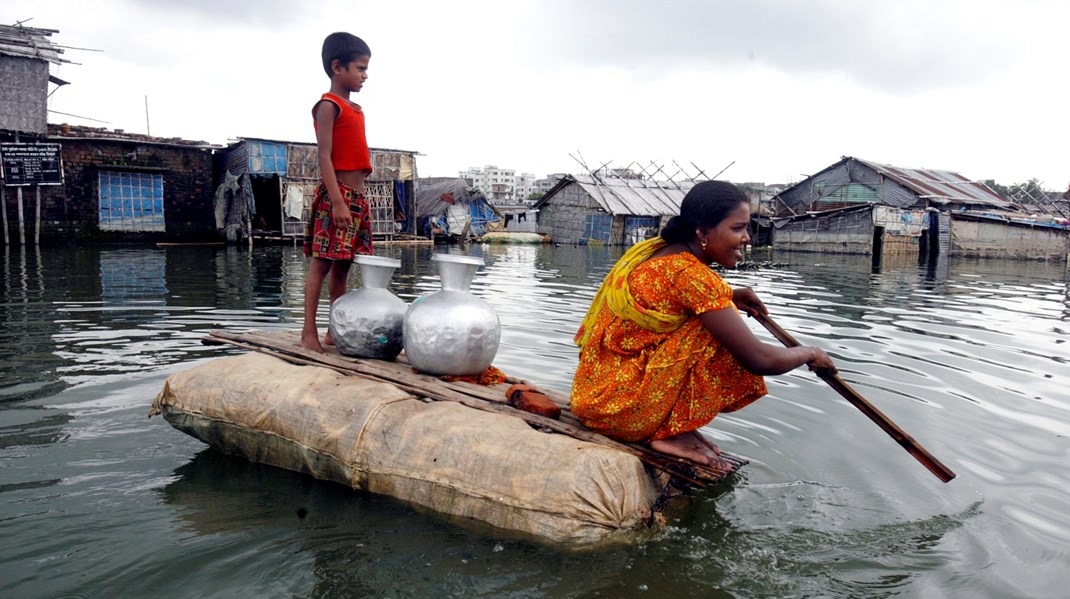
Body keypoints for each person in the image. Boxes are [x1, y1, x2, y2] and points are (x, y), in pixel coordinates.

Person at [570, 180, 837, 467]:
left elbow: (668, 301)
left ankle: (672, 425)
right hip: (622, 414)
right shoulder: (692, 276)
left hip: (595, 398)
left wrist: (729, 296)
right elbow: (759, 360)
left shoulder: (656, 253)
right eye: (737, 228)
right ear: (702, 231)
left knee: (714, 316)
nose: (747, 237)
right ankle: (666, 432)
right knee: (715, 329)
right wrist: (810, 353)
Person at [300, 32, 375, 353]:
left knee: (343, 266)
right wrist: (337, 201)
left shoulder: (355, 108)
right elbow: (324, 157)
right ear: (337, 67)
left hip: (357, 199)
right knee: (322, 264)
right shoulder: (328, 106)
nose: (365, 75)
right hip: (339, 196)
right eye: (359, 68)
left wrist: (352, 202)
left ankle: (334, 330)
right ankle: (308, 334)